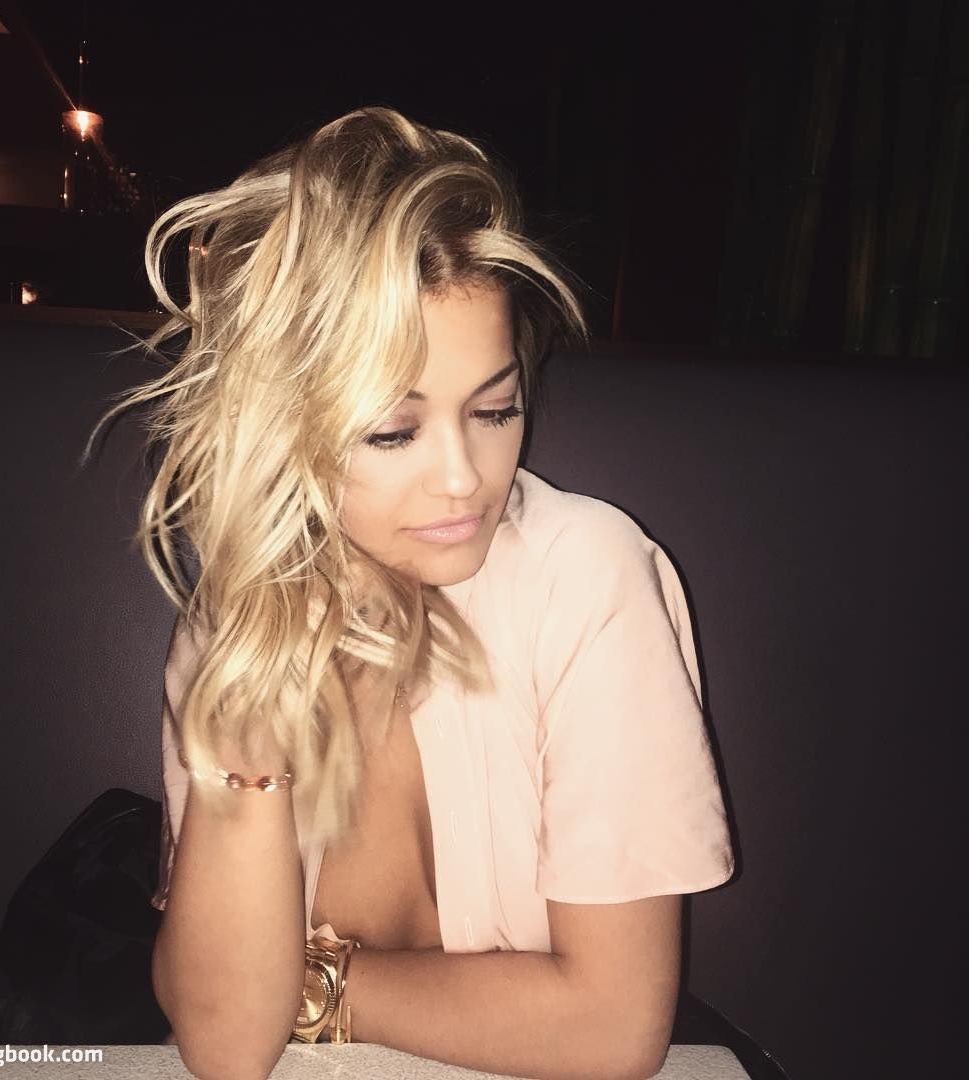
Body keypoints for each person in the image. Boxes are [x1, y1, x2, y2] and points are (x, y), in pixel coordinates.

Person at [86, 105, 735, 1080]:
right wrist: (251, 710)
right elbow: (223, 1042)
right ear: (283, 425)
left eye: (495, 410)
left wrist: (309, 988)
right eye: (393, 431)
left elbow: (613, 1028)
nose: (465, 479)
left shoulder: (591, 579)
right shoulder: (241, 622)